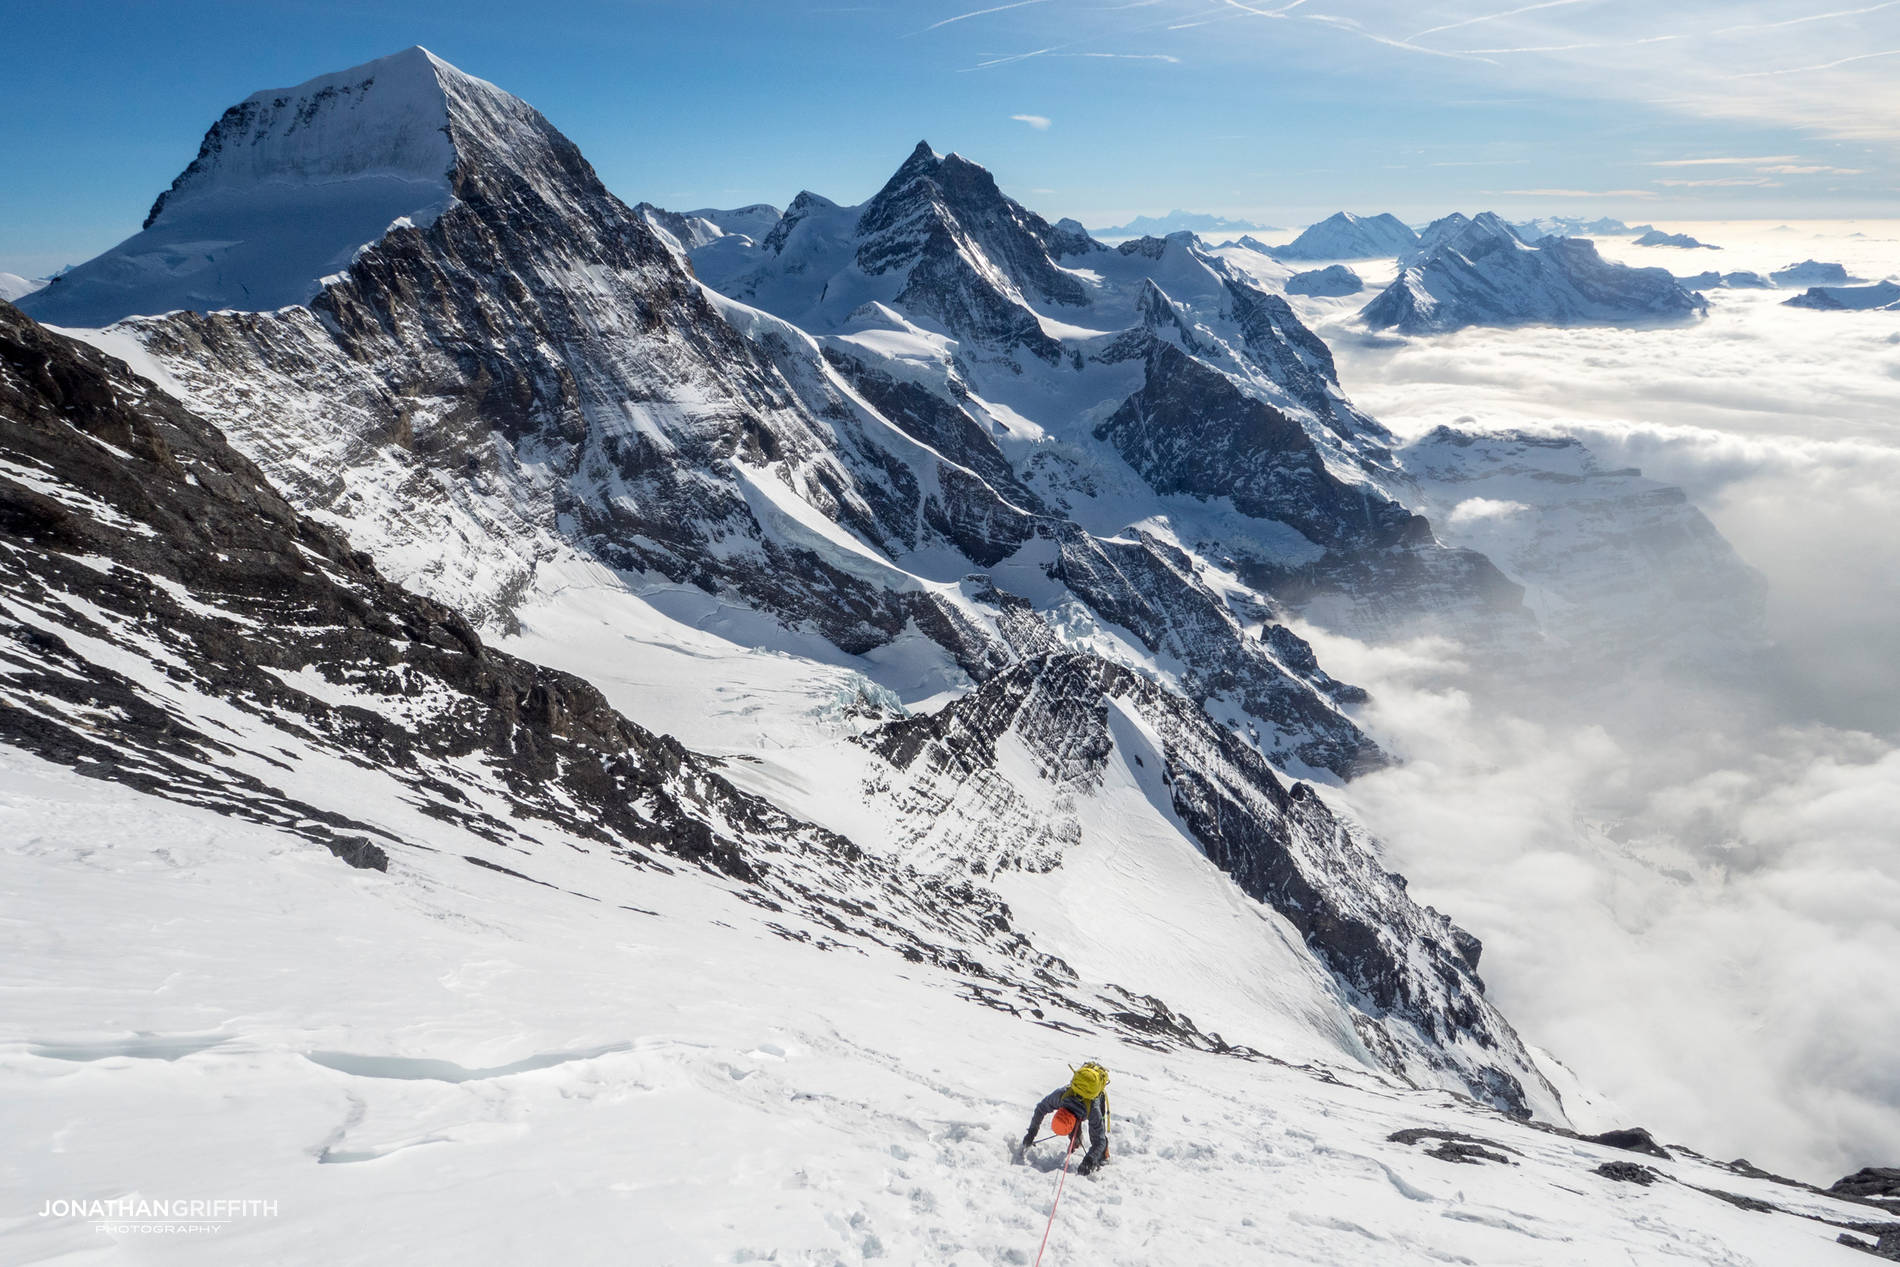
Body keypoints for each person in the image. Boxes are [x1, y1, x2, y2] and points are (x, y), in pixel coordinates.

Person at [1019, 1060, 1110, 1176]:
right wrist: (1032, 1132)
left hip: (1095, 1096)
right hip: (1080, 1095)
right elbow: (1040, 1108)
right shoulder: (1060, 1097)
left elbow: (1099, 1140)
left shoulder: (1093, 1111)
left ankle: (1104, 1157)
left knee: (1097, 1135)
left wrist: (1090, 1160)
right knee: (1072, 1123)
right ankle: (1076, 1140)